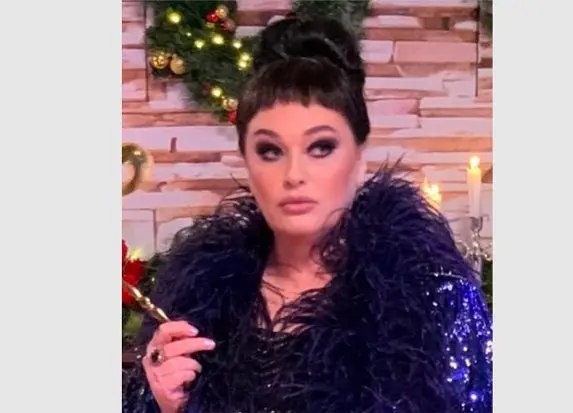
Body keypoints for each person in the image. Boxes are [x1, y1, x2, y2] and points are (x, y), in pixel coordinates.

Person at [123, 15, 493, 413]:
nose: (293, 175)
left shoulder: (433, 296)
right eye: (270, 151)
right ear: (247, 162)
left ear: (360, 160)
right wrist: (165, 402)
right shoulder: (195, 303)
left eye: (321, 147)